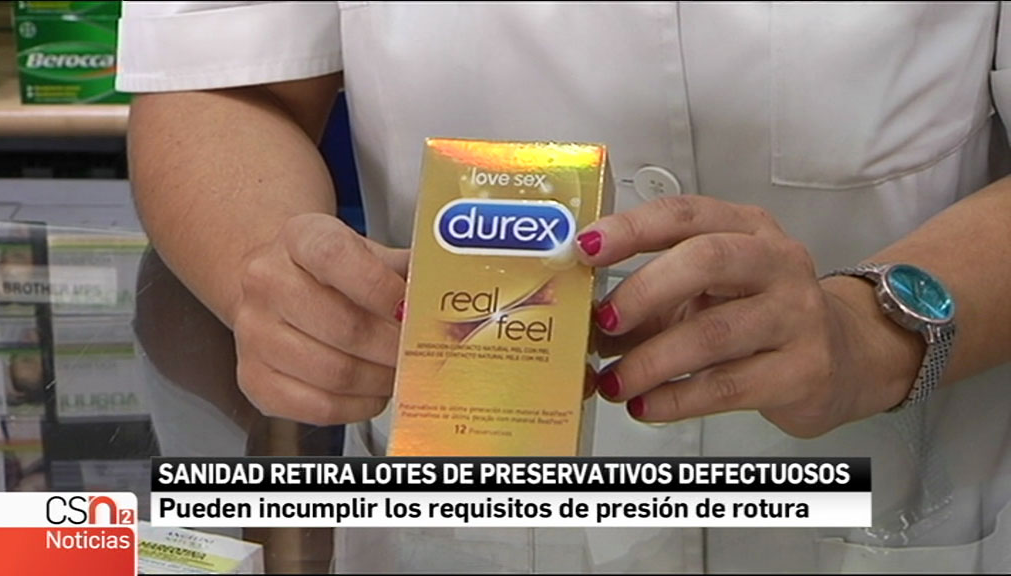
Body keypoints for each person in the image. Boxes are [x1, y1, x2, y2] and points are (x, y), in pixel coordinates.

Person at [117, 2, 1011, 572]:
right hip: (458, 495)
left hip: (879, 483)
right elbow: (220, 85)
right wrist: (275, 270)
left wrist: (874, 329)